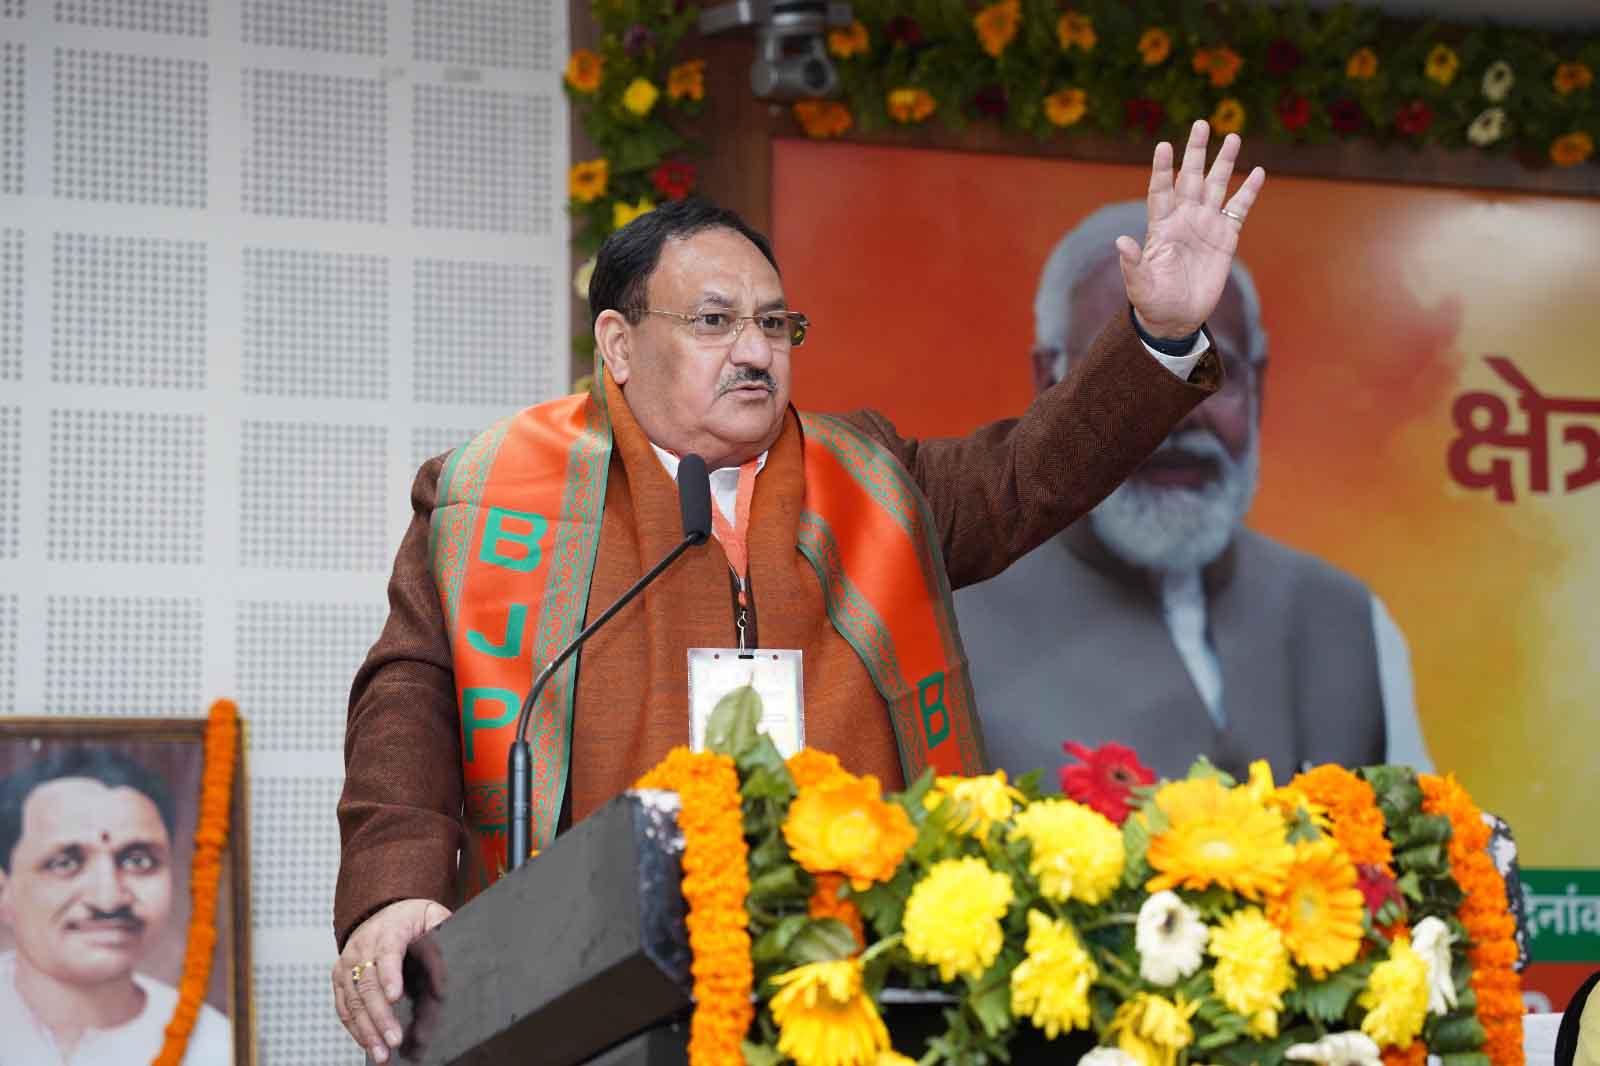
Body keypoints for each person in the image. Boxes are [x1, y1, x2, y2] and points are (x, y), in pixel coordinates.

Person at [332, 121, 1265, 1062]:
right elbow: (408, 694)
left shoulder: (869, 480)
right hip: (596, 985)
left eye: (775, 324)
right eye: (714, 321)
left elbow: (1034, 472)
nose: (756, 351)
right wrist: (395, 887)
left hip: (858, 985)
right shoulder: (493, 492)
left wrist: (1162, 334)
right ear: (618, 342)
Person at [956, 199, 1433, 786]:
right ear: (1047, 381)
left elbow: (1423, 855)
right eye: (1129, 374)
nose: (1177, 416)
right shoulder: (949, 623)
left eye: (1211, 371)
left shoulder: (1346, 618)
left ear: (1258, 384)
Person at [0, 747, 231, 1066]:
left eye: (138, 861)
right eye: (66, 862)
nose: (108, 898)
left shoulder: (215, 1045)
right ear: (3, 890)